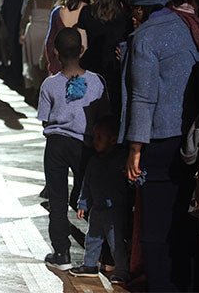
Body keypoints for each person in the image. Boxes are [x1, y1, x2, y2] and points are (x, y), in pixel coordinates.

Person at [121, 0, 199, 291]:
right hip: (191, 137)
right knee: (183, 217)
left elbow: (143, 96)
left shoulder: (146, 36)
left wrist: (135, 147)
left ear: (139, 10)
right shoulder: (189, 27)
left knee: (154, 224)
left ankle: (161, 285)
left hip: (159, 139)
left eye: (133, 9)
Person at [37, 27, 108, 271]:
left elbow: (45, 119)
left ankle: (61, 253)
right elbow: (103, 117)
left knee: (57, 198)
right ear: (82, 50)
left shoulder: (49, 84)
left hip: (56, 144)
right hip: (85, 145)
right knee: (89, 195)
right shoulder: (97, 81)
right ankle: (104, 250)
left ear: (55, 52)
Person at [69, 116, 129, 284]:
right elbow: (86, 184)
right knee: (92, 238)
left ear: (113, 140)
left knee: (116, 243)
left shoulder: (120, 161)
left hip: (114, 210)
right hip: (97, 208)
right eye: (94, 137)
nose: (95, 141)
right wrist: (83, 204)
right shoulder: (93, 161)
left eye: (99, 137)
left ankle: (123, 271)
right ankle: (90, 265)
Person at [77, 0, 130, 114]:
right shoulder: (127, 17)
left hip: (92, 70)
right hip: (117, 73)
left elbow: (82, 48)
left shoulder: (87, 12)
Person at [45, 0, 95, 75]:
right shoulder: (92, 13)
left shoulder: (57, 13)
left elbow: (50, 44)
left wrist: (53, 68)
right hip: (85, 71)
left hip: (61, 69)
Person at [19, 0, 53, 90]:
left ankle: (36, 86)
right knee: (46, 62)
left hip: (33, 33)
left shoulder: (32, 1)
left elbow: (24, 18)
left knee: (33, 62)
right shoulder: (54, 2)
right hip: (47, 33)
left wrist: (21, 33)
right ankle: (44, 87)